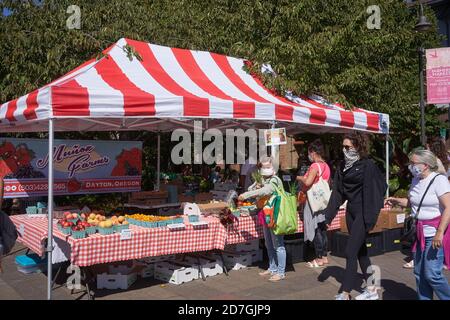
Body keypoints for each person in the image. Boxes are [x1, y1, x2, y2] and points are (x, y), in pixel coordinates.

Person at [319, 132, 387, 300]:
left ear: (358, 147)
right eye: (343, 147)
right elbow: (337, 194)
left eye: (347, 147)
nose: (344, 150)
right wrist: (327, 217)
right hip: (351, 213)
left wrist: (370, 219)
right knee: (361, 252)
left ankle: (346, 292)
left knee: (350, 251)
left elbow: (378, 190)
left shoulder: (368, 165)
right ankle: (372, 290)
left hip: (364, 213)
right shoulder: (342, 166)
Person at [387, 149, 450, 300]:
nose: (411, 166)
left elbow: (448, 207)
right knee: (419, 273)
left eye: (414, 163)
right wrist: (397, 201)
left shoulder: (439, 180)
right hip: (418, 232)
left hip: (434, 233)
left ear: (426, 165)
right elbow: (414, 203)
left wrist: (439, 233)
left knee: (432, 274)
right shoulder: (415, 180)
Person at [238, 156, 286, 282]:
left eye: (267, 167)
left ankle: (281, 272)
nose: (265, 169)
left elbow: (266, 191)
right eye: (263, 167)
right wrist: (256, 184)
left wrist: (247, 195)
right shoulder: (264, 180)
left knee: (278, 245)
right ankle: (272, 267)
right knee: (268, 244)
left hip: (276, 215)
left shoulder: (275, 180)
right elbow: (250, 189)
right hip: (266, 214)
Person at [296, 139, 331, 267]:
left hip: (313, 202)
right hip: (322, 201)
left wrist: (299, 177)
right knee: (322, 228)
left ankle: (319, 257)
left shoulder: (315, 166)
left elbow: (308, 182)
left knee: (315, 228)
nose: (308, 155)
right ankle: (325, 256)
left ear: (314, 152)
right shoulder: (326, 166)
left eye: (309, 152)